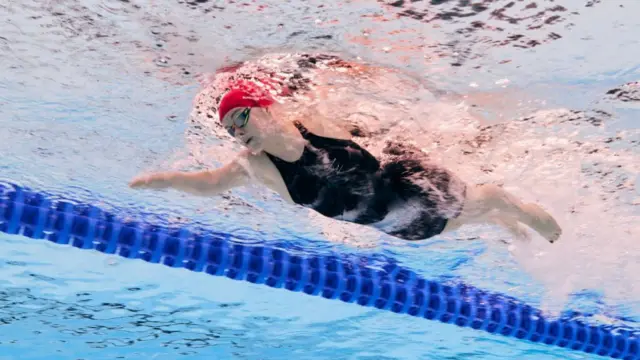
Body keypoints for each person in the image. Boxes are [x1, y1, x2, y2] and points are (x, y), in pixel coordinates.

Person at [129, 76, 562, 243]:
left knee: (492, 201)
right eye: (229, 129)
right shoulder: (256, 166)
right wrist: (166, 181)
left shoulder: (313, 118)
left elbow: (365, 103)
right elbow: (209, 183)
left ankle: (549, 231)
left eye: (239, 117)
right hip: (402, 227)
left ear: (262, 105)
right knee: (465, 218)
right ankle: (498, 219)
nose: (236, 131)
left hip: (414, 187)